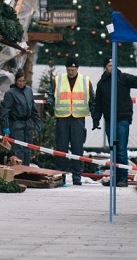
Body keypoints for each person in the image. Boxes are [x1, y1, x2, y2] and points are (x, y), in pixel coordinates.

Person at [92, 57, 137, 187]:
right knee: (113, 149)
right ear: (105, 68)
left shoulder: (123, 78)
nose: (112, 67)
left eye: (113, 65)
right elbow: (98, 103)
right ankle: (115, 176)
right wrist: (96, 119)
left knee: (121, 149)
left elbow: (136, 80)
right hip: (109, 120)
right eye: (109, 65)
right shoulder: (102, 83)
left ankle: (122, 178)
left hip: (122, 118)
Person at [49, 57, 95, 186]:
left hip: (78, 118)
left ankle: (77, 177)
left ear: (77, 69)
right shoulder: (58, 79)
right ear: (66, 69)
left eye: (73, 70)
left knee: (77, 148)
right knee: (61, 148)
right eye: (69, 70)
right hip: (62, 118)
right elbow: (50, 94)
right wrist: (50, 103)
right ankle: (61, 176)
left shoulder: (85, 81)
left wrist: (95, 114)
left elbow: (92, 98)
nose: (71, 72)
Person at [1, 69, 43, 166]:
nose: (21, 83)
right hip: (16, 124)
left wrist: (37, 122)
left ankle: (26, 168)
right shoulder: (11, 93)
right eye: (19, 81)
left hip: (27, 124)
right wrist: (6, 127)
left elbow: (33, 108)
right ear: (16, 81)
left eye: (23, 81)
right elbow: (5, 111)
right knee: (18, 148)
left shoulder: (28, 91)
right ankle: (18, 171)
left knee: (27, 148)